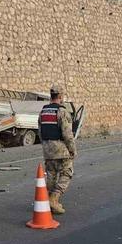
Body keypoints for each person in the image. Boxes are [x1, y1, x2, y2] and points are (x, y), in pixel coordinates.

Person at [38, 85, 76, 215]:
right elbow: (67, 134)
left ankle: (47, 200)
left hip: (47, 149)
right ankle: (54, 198)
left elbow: (40, 131)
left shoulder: (43, 111)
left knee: (51, 175)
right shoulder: (62, 111)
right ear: (60, 96)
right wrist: (72, 150)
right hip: (60, 148)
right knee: (67, 173)